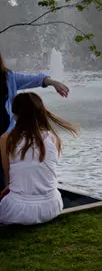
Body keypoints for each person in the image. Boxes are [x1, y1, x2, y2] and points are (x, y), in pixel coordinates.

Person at [0, 92, 78, 225]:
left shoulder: (7, 139)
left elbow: (8, 178)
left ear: (15, 114)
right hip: (52, 207)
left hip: (18, 211)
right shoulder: (54, 138)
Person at [1, 52, 69, 191]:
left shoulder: (8, 78)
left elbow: (36, 79)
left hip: (6, 135)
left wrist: (52, 82)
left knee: (7, 174)